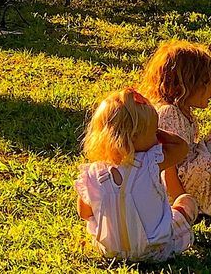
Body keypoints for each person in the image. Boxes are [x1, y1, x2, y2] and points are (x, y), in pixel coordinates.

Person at [75, 87, 196, 262]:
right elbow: (181, 148)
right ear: (135, 135)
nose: (156, 138)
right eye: (154, 132)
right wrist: (158, 133)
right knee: (186, 202)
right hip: (157, 250)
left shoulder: (93, 173)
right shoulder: (151, 162)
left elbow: (84, 213)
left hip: (110, 250)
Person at [139, 40, 211, 215]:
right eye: (207, 83)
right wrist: (183, 208)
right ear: (186, 86)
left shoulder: (183, 111)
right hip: (174, 191)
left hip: (188, 172)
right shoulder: (169, 113)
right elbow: (167, 170)